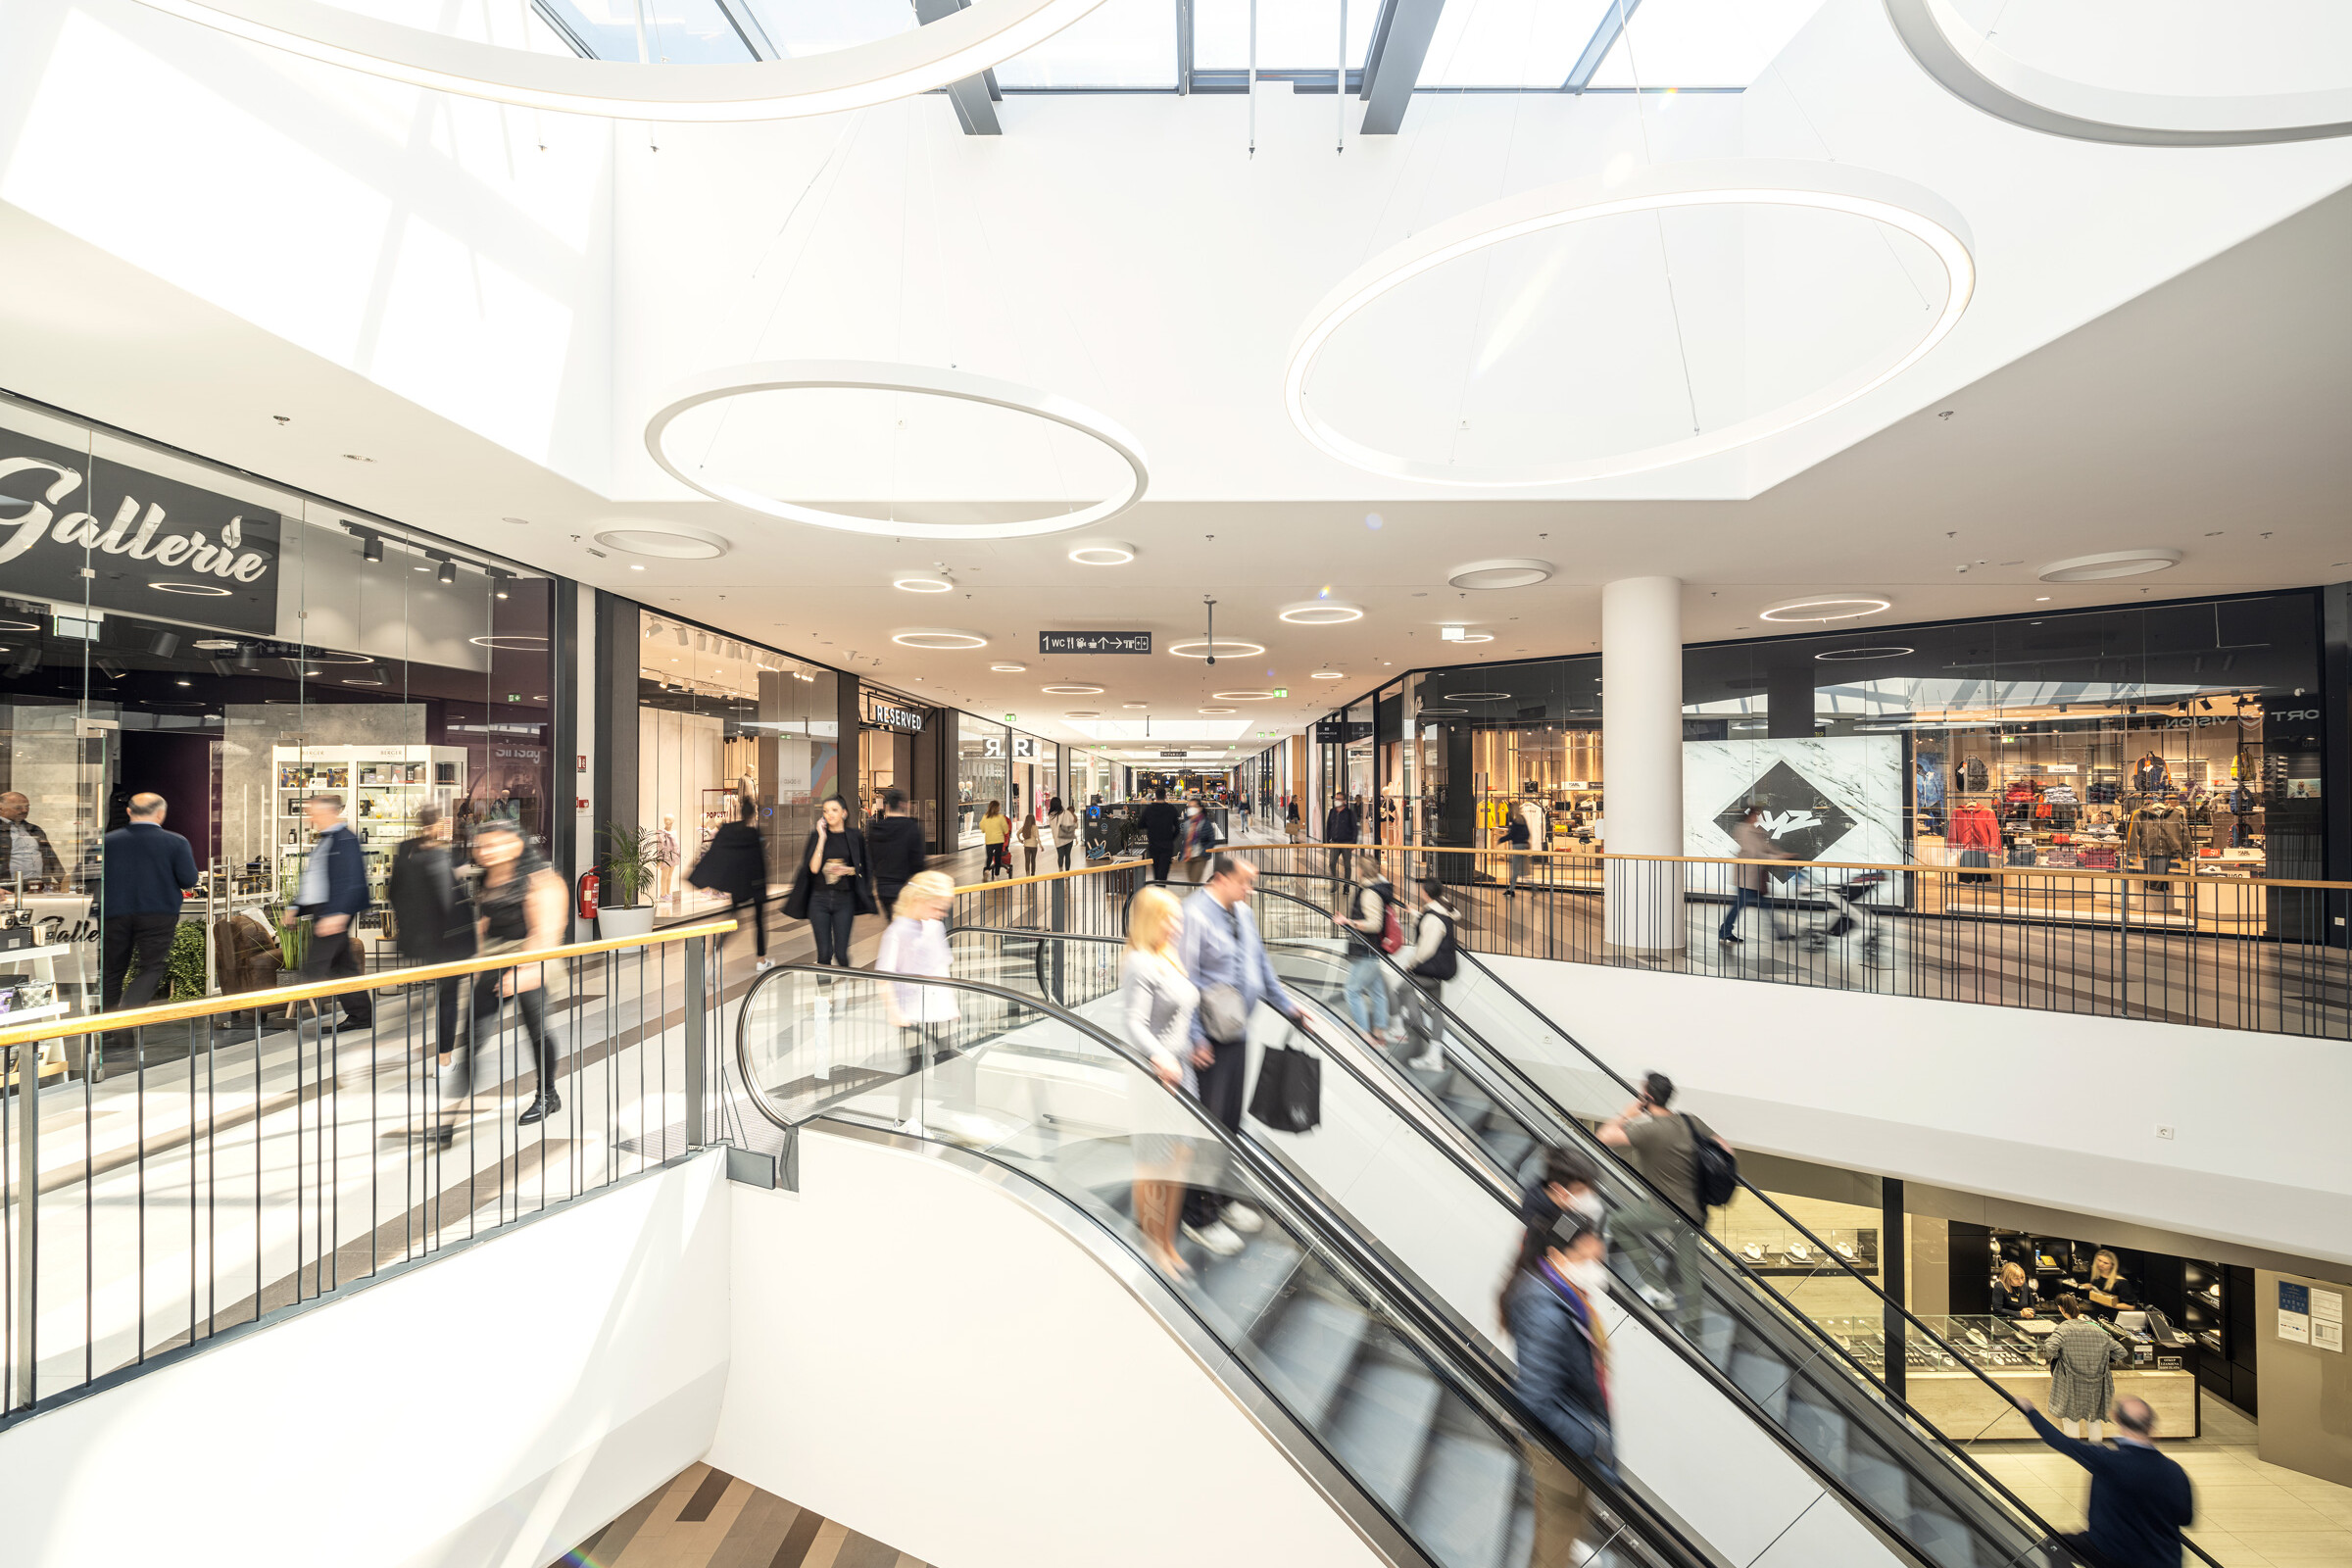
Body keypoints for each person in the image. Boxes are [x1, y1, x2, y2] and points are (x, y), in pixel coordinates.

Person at [1176, 854, 1318, 1256]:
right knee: (1210, 1125)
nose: (1249, 890)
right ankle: (1198, 1214)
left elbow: (1262, 968)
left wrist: (1287, 1005)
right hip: (1211, 1042)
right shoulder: (1194, 916)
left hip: (1238, 1034)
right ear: (1220, 879)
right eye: (1244, 882)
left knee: (1232, 1123)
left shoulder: (1242, 913)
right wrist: (1195, 1037)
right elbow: (1183, 978)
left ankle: (1220, 1198)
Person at [1502, 1218, 1616, 1567]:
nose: (1596, 1269)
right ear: (1558, 1256)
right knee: (1559, 1525)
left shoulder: (1568, 1296)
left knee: (1562, 1519)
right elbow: (1535, 1400)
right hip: (1560, 1447)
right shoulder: (1545, 1313)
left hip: (1571, 1431)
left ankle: (1560, 1554)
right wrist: (1589, 1441)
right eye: (1588, 1260)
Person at [1597, 1071, 1729, 1329]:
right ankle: (1693, 1328)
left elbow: (1604, 1136)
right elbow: (1725, 1148)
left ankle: (1659, 1289)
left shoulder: (1649, 1131)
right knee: (1689, 1267)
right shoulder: (1691, 1122)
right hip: (1694, 1212)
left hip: (1664, 1210)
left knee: (1618, 1224)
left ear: (1647, 1097)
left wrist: (1629, 1112)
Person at [2010, 1391, 2193, 1568]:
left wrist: (2030, 1411)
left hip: (2114, 1554)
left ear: (2117, 1419)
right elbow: (2185, 1518)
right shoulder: (2175, 1471)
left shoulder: (2108, 1460)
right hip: (2164, 1559)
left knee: (2053, 1544)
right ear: (2150, 1426)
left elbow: (2059, 1440)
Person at [1120, 884, 1200, 1277]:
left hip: (1182, 1071)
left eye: (1178, 918)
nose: (1176, 926)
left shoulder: (1167, 957)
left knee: (1181, 1159)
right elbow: (1133, 1022)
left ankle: (1168, 1239)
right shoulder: (1140, 962)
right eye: (1169, 918)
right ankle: (1153, 1245)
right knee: (1154, 1162)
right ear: (1150, 920)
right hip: (1157, 1076)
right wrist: (1160, 1056)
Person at [468, 822, 567, 1127]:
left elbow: (546, 932)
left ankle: (548, 1095)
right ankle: (450, 1114)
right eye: (481, 846)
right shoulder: (489, 876)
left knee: (537, 1030)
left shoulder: (539, 880)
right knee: (474, 1036)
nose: (485, 852)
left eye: (493, 844)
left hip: (531, 960)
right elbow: (485, 921)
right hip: (495, 961)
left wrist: (526, 971)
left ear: (515, 844)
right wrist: (476, 961)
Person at [98, 792, 200, 1047]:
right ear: (161, 814)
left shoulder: (107, 841)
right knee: (152, 967)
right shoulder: (176, 842)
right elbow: (189, 880)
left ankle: (109, 1026)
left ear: (130, 812)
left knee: (112, 970)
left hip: (113, 913)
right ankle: (128, 1015)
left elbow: (87, 875)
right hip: (158, 913)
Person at [386, 804, 474, 1065]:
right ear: (438, 824)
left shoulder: (408, 850)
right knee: (448, 995)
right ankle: (444, 1058)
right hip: (450, 937)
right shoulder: (446, 854)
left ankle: (440, 1053)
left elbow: (395, 892)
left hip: (428, 937)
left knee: (444, 991)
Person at [876, 869, 960, 1130]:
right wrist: (894, 1011)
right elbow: (884, 976)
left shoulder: (934, 927)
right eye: (938, 907)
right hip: (910, 1012)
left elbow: (941, 966)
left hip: (938, 1008)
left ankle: (954, 1112)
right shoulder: (897, 931)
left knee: (951, 1058)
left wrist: (952, 1003)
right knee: (915, 1064)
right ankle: (903, 1118)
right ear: (919, 900)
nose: (942, 913)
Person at [285, 793, 373, 1029]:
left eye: (312, 811)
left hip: (332, 912)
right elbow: (314, 880)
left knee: (314, 967)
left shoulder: (345, 839)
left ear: (329, 811)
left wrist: (339, 914)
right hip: (324, 909)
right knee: (342, 966)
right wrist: (296, 907)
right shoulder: (327, 840)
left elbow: (353, 880)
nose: (309, 816)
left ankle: (288, 1013)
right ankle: (361, 1016)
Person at [785, 795, 877, 971]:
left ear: (844, 813)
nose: (829, 814)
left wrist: (847, 870)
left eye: (834, 810)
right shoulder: (817, 836)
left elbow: (865, 866)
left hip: (845, 899)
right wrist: (821, 837)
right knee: (824, 954)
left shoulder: (854, 835)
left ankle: (846, 988)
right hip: (819, 900)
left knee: (841, 953)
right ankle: (824, 997)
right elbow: (812, 868)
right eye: (825, 811)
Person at [2041, 1294, 2127, 1441]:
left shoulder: (2064, 1329)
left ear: (2061, 1309)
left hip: (2070, 1382)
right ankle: (2097, 1452)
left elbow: (2050, 1347)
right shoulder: (2097, 1330)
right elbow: (2121, 1351)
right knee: (2093, 1418)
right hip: (2096, 1382)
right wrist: (2103, 1359)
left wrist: (2060, 1356)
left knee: (2070, 1418)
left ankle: (2076, 1453)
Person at [1398, 874, 1459, 1072]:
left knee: (1403, 987)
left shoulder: (1433, 917)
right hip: (1440, 972)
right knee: (1436, 1011)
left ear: (1425, 893)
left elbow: (1427, 949)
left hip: (1428, 969)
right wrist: (1416, 913)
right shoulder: (1443, 911)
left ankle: (1414, 1025)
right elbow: (1435, 923)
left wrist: (1411, 963)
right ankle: (1435, 1056)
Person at [1334, 864, 1396, 1046]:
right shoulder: (1377, 888)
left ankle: (1364, 1034)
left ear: (1362, 870)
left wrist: (1349, 921)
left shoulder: (1370, 893)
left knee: (1351, 991)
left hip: (1366, 949)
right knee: (1378, 992)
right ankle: (1379, 1031)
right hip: (1371, 949)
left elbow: (1374, 924)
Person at [1718, 805, 1792, 944]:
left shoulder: (1755, 831)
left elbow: (1767, 848)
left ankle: (1780, 932)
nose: (1759, 817)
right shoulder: (1744, 831)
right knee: (1743, 904)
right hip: (1746, 875)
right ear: (1751, 815)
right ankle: (1725, 931)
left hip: (1755, 876)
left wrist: (1782, 854)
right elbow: (1755, 853)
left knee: (1758, 905)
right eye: (1758, 814)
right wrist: (1778, 858)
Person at [864, 788, 929, 918]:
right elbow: (918, 862)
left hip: (883, 889)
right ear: (903, 804)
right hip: (906, 887)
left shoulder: (876, 829)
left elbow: (870, 861)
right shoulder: (911, 827)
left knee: (894, 923)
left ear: (887, 806)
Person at [0, 790, 65, 886]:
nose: (24, 810)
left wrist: (64, 883)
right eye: (18, 807)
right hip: (6, 888)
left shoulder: (34, 829)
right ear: (1, 808)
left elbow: (51, 858)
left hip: (38, 887)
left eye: (27, 806)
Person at [2084, 1248, 2140, 1323]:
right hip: (2098, 1316)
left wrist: (2110, 1304)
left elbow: (2131, 1306)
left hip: (2113, 1319)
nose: (2101, 1264)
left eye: (2105, 1263)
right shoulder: (2095, 1276)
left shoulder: (2121, 1282)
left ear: (2112, 1265)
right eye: (2099, 1260)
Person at [1139, 790, 1181, 885]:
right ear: (1165, 796)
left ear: (1155, 796)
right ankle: (1161, 888)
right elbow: (1177, 829)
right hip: (1167, 845)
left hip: (1154, 844)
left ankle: (1158, 887)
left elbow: (1140, 825)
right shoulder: (1171, 809)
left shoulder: (1149, 809)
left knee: (1156, 869)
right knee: (1164, 870)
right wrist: (1171, 838)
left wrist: (1150, 826)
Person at [1178, 800, 1219, 883]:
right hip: (1188, 857)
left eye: (1193, 806)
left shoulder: (1205, 823)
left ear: (1199, 808)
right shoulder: (1187, 823)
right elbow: (1186, 840)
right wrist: (1182, 854)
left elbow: (1211, 840)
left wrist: (1204, 852)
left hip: (1200, 857)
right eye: (1189, 807)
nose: (1191, 809)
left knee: (1194, 880)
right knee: (1191, 881)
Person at [1324, 796, 1360, 883]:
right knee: (1332, 863)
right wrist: (1327, 840)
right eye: (1336, 799)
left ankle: (1346, 884)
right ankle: (1334, 881)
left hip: (1346, 842)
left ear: (1344, 801)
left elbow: (1354, 828)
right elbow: (1328, 827)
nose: (1336, 801)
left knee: (1347, 865)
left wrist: (1353, 843)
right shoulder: (1332, 812)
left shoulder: (1349, 813)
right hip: (1334, 842)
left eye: (1339, 799)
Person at [1503, 806, 1533, 896]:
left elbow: (1512, 834)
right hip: (1523, 845)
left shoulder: (1515, 820)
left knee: (1516, 869)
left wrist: (1501, 840)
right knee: (1520, 868)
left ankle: (1532, 886)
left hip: (1517, 846)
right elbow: (1527, 832)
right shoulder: (1522, 818)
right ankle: (1511, 889)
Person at [979, 800, 1010, 881]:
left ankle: (986, 870)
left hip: (989, 840)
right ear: (997, 808)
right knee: (997, 858)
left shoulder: (985, 817)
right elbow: (1006, 830)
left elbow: (982, 828)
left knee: (989, 857)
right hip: (999, 840)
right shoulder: (1000, 817)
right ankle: (996, 876)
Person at [1048, 795, 1080, 872]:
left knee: (1060, 856)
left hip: (1058, 839)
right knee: (1068, 855)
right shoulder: (1067, 813)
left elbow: (1053, 828)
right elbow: (1075, 824)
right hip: (1068, 838)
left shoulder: (1051, 816)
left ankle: (1060, 870)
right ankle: (1067, 872)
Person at [1017, 808, 1041, 877]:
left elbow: (1017, 833)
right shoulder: (1035, 827)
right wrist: (1041, 845)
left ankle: (1027, 874)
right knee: (1033, 860)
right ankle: (1033, 873)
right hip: (1034, 846)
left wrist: (1020, 840)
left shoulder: (1025, 827)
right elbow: (1037, 837)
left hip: (1026, 846)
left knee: (1027, 861)